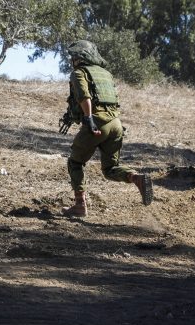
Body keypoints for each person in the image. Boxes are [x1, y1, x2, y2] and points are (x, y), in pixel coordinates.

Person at [60, 39, 152, 217]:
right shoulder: (105, 74)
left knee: (75, 162)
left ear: (80, 57)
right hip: (115, 124)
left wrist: (89, 119)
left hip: (97, 122)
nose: (72, 60)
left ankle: (80, 206)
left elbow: (84, 97)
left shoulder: (79, 73)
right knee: (110, 168)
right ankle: (136, 178)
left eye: (74, 57)